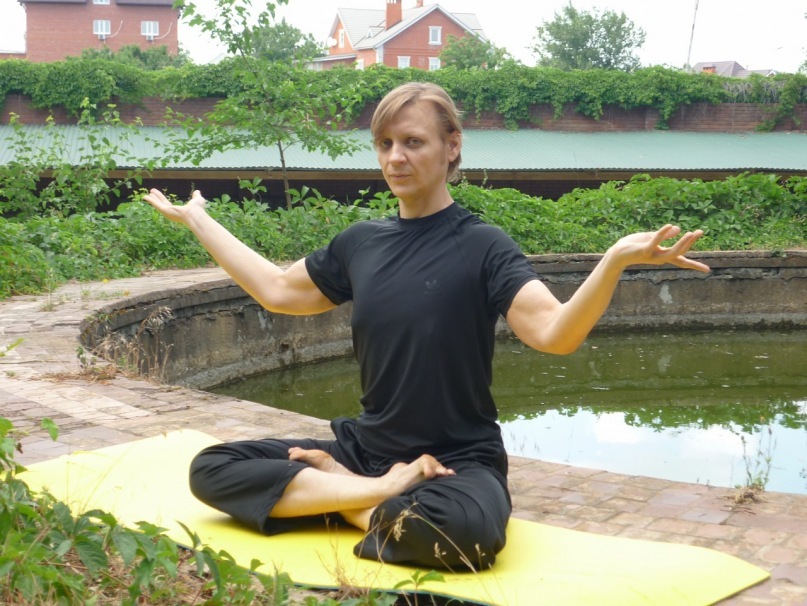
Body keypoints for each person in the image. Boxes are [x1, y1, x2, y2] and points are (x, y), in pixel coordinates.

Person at [143, 82, 710, 571]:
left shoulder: (484, 247)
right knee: (213, 469)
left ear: (451, 146)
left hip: (459, 461)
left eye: (413, 142)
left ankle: (336, 494)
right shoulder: (360, 243)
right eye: (385, 144)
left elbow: (556, 334)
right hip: (367, 450)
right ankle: (373, 492)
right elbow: (275, 290)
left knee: (464, 535)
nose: (396, 158)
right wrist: (197, 219)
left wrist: (612, 261)